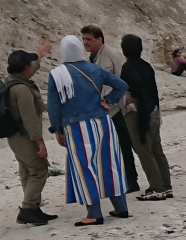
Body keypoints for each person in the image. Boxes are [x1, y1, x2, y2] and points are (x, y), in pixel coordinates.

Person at [47, 35, 132, 226]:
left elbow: (53, 106)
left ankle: (94, 213)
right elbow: (122, 85)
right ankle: (121, 207)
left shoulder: (57, 74)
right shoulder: (95, 69)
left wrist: (57, 129)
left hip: (77, 125)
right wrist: (109, 101)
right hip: (102, 122)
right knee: (110, 163)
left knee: (84, 166)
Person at [0, 44, 57, 226]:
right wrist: (40, 143)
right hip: (25, 137)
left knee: (26, 169)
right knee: (39, 170)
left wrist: (40, 56)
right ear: (25, 67)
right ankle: (28, 209)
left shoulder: (11, 82)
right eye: (30, 64)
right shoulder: (22, 90)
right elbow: (30, 119)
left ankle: (33, 208)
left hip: (15, 137)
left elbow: (29, 71)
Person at [82, 25, 141, 190]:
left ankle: (136, 179)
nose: (85, 42)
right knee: (116, 146)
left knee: (128, 144)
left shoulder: (112, 55)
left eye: (89, 39)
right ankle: (126, 179)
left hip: (119, 108)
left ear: (99, 39)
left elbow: (126, 79)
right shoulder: (92, 58)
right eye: (83, 39)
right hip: (105, 110)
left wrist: (119, 101)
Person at [120, 34, 173, 201]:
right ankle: (166, 186)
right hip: (153, 110)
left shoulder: (127, 67)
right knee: (157, 149)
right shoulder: (147, 66)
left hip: (139, 114)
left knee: (144, 151)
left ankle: (156, 188)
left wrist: (133, 96)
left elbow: (134, 88)